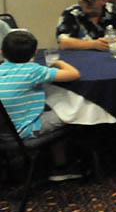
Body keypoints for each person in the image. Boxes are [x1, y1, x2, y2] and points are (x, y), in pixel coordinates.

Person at [0, 30, 83, 180]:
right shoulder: (33, 71)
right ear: (35, 53)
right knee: (71, 112)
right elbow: (74, 74)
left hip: (4, 131)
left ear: (2, 53)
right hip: (24, 130)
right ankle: (61, 166)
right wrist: (59, 62)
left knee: (51, 107)